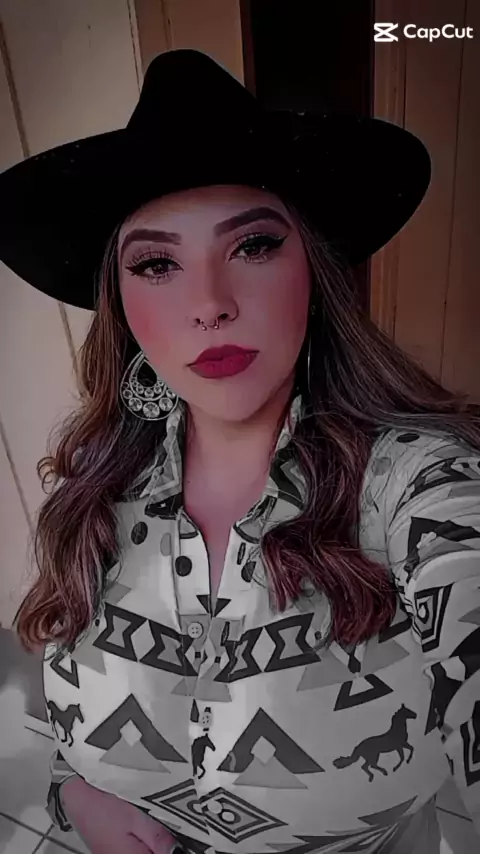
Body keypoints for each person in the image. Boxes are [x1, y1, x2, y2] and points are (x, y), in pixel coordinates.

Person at [0, 49, 479, 854]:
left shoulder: (419, 484)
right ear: (122, 308)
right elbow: (69, 704)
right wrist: (71, 791)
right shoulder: (95, 481)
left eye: (253, 246)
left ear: (313, 275)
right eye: (158, 263)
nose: (211, 305)